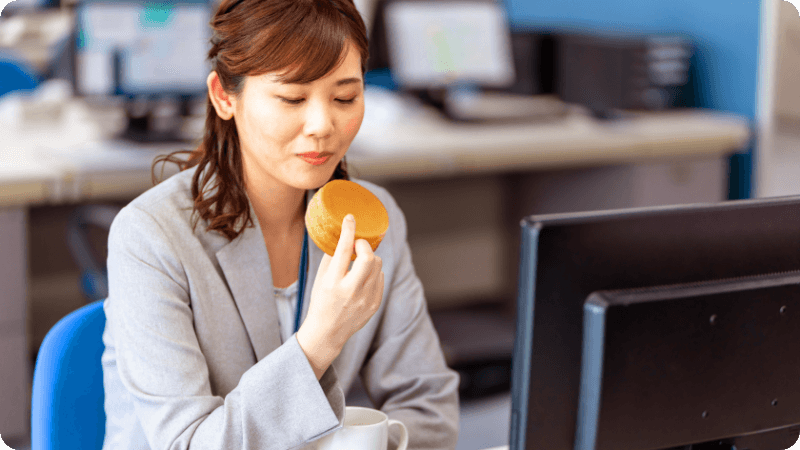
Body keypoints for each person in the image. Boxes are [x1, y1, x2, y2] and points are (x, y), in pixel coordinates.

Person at [100, 0, 460, 449]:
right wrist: (319, 341)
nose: (322, 125)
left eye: (345, 98)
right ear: (224, 96)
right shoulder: (150, 235)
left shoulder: (371, 220)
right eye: (292, 98)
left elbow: (430, 411)